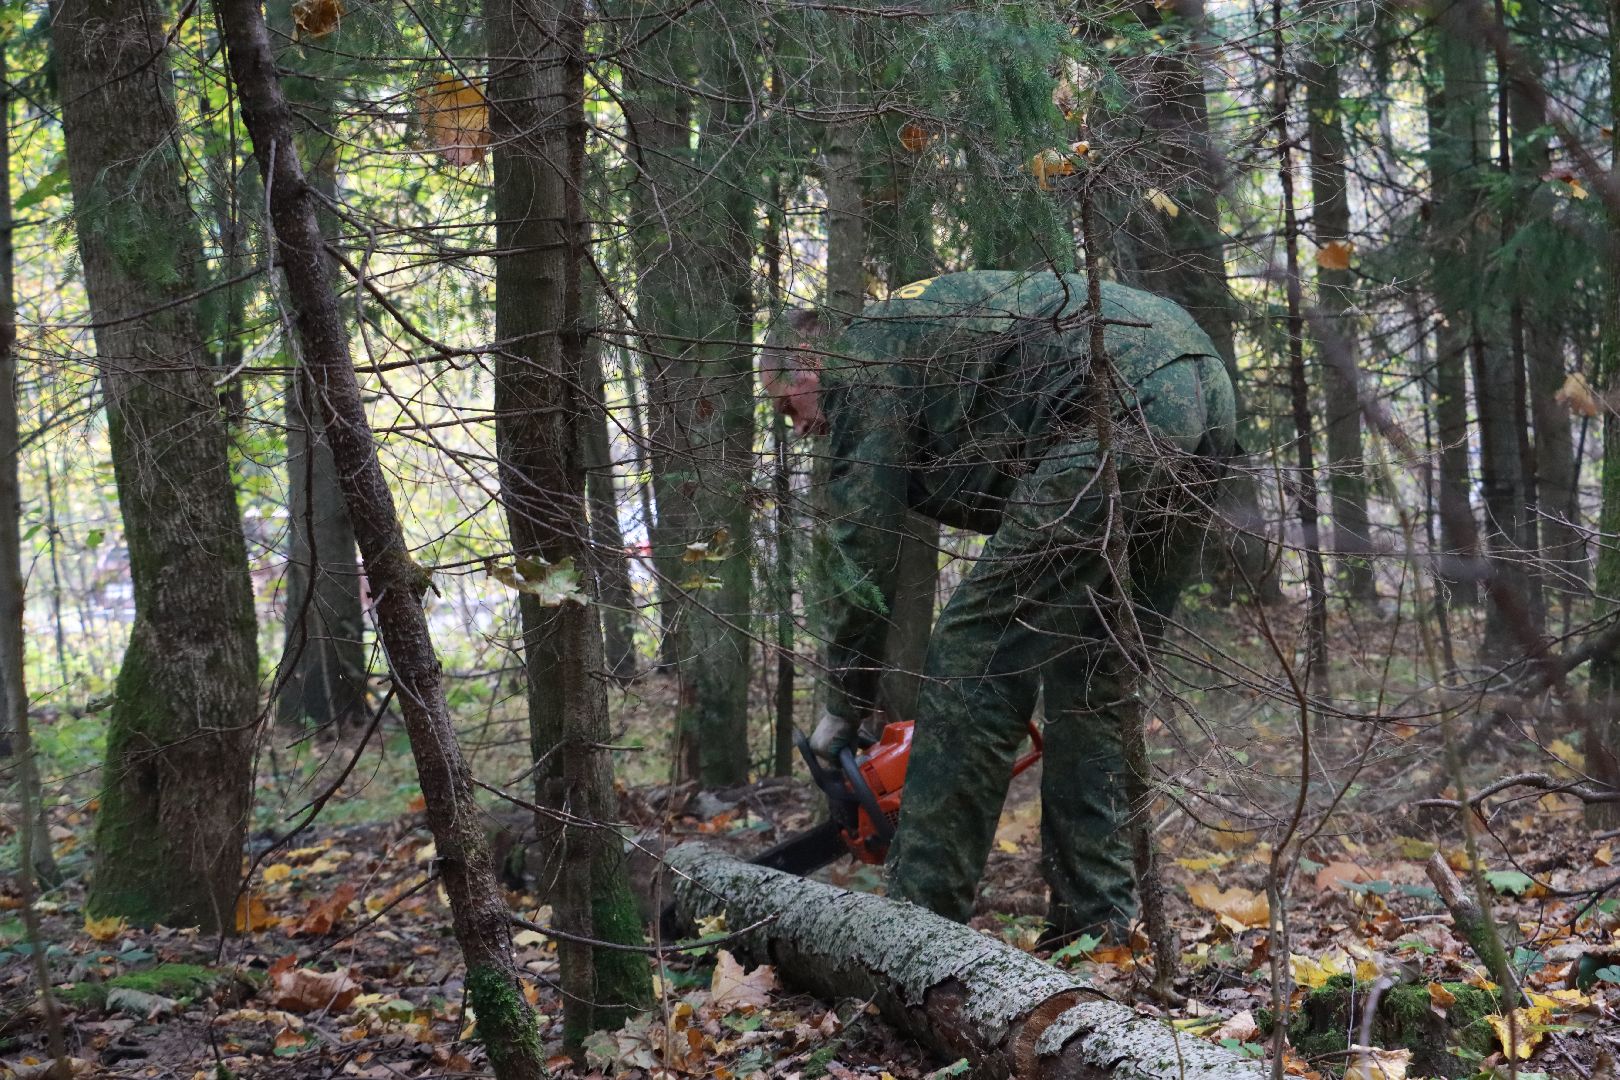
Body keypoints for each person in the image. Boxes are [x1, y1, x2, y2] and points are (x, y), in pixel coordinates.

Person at [761, 270, 1237, 944]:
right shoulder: (905, 335)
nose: (801, 427)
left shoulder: (859, 358)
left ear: (808, 360)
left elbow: (862, 549)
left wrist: (844, 702)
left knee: (972, 653)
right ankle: (1096, 930)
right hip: (1203, 383)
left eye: (789, 406)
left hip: (1120, 395)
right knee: (1097, 672)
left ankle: (921, 933)